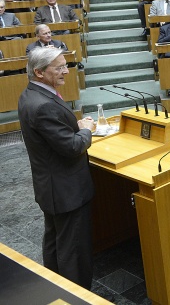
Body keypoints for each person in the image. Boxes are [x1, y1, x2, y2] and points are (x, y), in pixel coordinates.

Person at [19, 47, 96, 289]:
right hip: (66, 190)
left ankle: (55, 289)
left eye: (66, 65)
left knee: (54, 242)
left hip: (50, 187)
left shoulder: (29, 94)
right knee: (73, 249)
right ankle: (78, 296)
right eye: (59, 67)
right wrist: (85, 130)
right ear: (39, 72)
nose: (66, 71)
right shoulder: (43, 105)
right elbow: (72, 146)